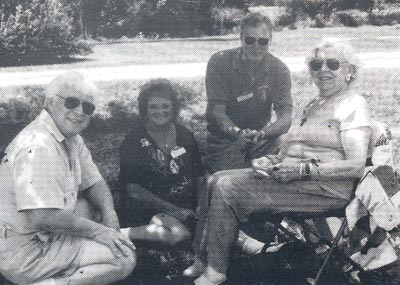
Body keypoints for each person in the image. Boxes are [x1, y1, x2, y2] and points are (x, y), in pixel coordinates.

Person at [190, 39, 372, 285]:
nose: (323, 70)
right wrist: (270, 160)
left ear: (349, 70)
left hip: (325, 192)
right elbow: (288, 150)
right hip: (293, 182)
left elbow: (355, 165)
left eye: (332, 64)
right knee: (216, 179)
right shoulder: (313, 104)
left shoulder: (353, 105)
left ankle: (216, 270)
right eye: (317, 64)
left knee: (227, 187)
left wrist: (301, 169)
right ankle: (204, 257)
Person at [0, 72, 136, 285]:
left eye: (88, 107)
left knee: (86, 206)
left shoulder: (69, 137)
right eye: (72, 102)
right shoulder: (38, 146)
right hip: (26, 252)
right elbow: (42, 216)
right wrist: (100, 232)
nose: (80, 112)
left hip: (44, 236)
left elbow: (95, 182)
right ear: (50, 103)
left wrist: (110, 216)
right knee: (123, 258)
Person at [118, 79, 205, 246]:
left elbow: (199, 175)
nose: (160, 111)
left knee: (214, 220)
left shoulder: (184, 135)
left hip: (185, 204)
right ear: (145, 109)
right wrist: (174, 211)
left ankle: (253, 246)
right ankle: (120, 233)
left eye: (165, 106)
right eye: (153, 107)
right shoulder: (133, 141)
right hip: (148, 207)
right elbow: (133, 190)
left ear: (174, 107)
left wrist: (201, 204)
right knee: (180, 235)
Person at [205, 12, 293, 173]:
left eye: (263, 41)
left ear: (270, 41)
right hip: (225, 141)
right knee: (227, 182)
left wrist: (262, 133)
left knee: (288, 148)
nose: (256, 47)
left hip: (260, 139)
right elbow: (217, 111)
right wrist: (237, 133)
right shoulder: (219, 62)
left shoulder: (279, 70)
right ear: (241, 38)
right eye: (250, 40)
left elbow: (286, 117)